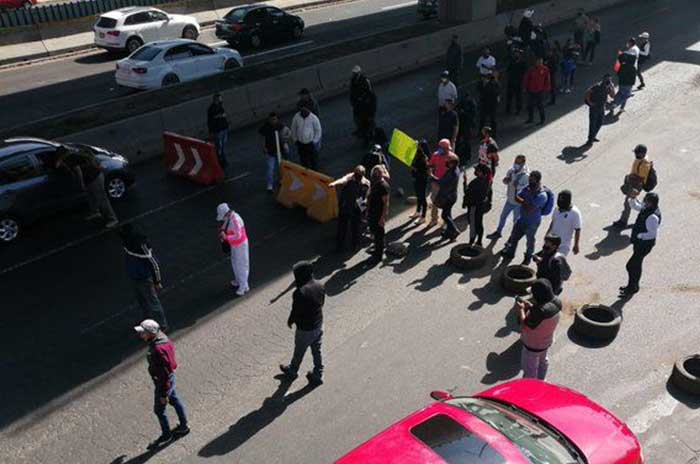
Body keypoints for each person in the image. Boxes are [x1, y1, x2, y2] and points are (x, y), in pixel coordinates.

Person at [135, 319, 189, 450]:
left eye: (143, 333)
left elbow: (163, 374)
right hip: (170, 377)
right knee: (175, 400)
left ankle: (166, 435)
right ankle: (183, 426)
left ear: (151, 333)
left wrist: (163, 394)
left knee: (159, 410)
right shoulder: (163, 338)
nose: (141, 335)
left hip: (163, 382)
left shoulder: (157, 349)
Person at [280, 260, 326, 385]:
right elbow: (322, 303)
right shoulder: (320, 285)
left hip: (305, 329)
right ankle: (318, 373)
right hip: (318, 324)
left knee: (299, 350)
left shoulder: (300, 292)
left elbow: (296, 311)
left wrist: (291, 320)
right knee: (317, 349)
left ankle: (293, 370)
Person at [55, 146, 119, 228]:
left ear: (62, 155)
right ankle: (95, 212)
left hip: (94, 178)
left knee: (102, 199)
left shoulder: (70, 158)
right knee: (91, 196)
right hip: (92, 177)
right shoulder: (74, 153)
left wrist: (81, 184)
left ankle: (113, 219)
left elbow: (78, 171)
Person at [120, 224, 168, 331]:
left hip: (145, 278)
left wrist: (157, 281)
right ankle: (148, 323)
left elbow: (153, 264)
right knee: (143, 302)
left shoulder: (140, 246)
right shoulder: (129, 244)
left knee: (153, 303)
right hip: (135, 277)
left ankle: (162, 325)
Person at [500, 170, 548, 265]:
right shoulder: (528, 188)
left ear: (538, 181)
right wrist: (522, 200)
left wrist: (523, 202)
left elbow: (530, 209)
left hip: (532, 222)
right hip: (522, 219)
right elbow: (516, 198)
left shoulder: (542, 195)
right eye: (530, 179)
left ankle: (527, 258)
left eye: (532, 180)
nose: (530, 181)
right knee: (514, 237)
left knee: (529, 242)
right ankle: (510, 253)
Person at [516, 279, 561, 380]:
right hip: (546, 342)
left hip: (533, 345)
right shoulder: (557, 302)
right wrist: (531, 306)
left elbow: (524, 324)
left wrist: (521, 310)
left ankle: (530, 387)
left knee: (530, 368)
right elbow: (543, 314)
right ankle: (541, 380)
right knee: (543, 361)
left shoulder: (538, 312)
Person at [620, 192, 660, 296]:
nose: (644, 202)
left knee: (631, 265)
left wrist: (639, 236)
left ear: (650, 203)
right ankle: (632, 286)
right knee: (636, 265)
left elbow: (652, 234)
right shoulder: (647, 208)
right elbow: (635, 206)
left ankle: (632, 287)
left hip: (644, 245)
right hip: (639, 244)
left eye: (646, 200)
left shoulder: (652, 217)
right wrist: (633, 198)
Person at [488, 154, 529, 240]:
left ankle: (513, 236)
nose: (516, 163)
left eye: (518, 162)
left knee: (516, 221)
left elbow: (526, 189)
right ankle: (498, 232)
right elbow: (506, 181)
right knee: (503, 216)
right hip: (509, 199)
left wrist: (517, 186)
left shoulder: (525, 176)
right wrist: (505, 180)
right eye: (515, 161)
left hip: (518, 203)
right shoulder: (511, 170)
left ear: (523, 163)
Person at [330, 166, 370, 252]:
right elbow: (343, 180)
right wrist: (334, 183)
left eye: (359, 175)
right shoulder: (350, 177)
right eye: (356, 174)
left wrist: (364, 209)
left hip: (357, 208)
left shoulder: (366, 183)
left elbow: (366, 196)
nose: (356, 176)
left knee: (355, 227)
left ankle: (354, 244)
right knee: (342, 226)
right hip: (346, 206)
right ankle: (339, 245)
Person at [614, 144, 653, 228]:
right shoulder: (639, 159)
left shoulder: (644, 164)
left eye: (637, 153)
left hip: (636, 186)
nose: (635, 154)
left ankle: (623, 221)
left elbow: (641, 179)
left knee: (628, 203)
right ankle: (646, 212)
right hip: (633, 183)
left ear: (642, 154)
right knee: (632, 201)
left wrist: (631, 178)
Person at [217, 203, 250, 296]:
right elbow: (224, 225)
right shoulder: (230, 217)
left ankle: (244, 287)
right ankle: (239, 281)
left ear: (225, 213)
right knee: (235, 262)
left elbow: (238, 235)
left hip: (240, 245)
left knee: (241, 265)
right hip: (235, 245)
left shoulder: (235, 219)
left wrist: (226, 237)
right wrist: (222, 231)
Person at [259, 112, 291, 192]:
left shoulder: (280, 125)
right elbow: (262, 138)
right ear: (269, 120)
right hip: (271, 152)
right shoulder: (265, 128)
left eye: (275, 119)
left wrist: (285, 142)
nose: (274, 121)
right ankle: (270, 185)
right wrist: (263, 147)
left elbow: (288, 132)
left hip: (280, 150)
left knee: (281, 167)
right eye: (272, 119)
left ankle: (281, 180)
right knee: (270, 168)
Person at [545, 190, 582, 256]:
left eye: (562, 200)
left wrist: (576, 245)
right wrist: (547, 234)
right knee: (546, 261)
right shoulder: (556, 209)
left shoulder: (575, 213)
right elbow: (553, 222)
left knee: (557, 262)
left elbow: (578, 229)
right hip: (551, 242)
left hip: (564, 245)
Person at [434, 153, 461, 241]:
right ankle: (448, 233)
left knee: (444, 215)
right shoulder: (456, 169)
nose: (446, 162)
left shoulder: (451, 173)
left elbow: (441, 182)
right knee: (448, 214)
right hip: (452, 195)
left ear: (452, 163)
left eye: (448, 161)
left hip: (448, 197)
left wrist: (431, 175)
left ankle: (454, 230)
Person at [464, 164, 492, 246]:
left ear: (483, 173)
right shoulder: (487, 181)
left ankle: (471, 241)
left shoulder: (476, 183)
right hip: (481, 206)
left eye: (478, 171)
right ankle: (479, 240)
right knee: (479, 223)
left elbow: (467, 192)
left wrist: (465, 183)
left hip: (474, 206)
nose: (475, 172)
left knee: (473, 224)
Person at [427, 139, 453, 227]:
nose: (446, 150)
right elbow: (430, 166)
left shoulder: (451, 157)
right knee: (434, 200)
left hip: (447, 183)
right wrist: (431, 174)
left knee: (446, 203)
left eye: (447, 148)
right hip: (436, 182)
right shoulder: (435, 155)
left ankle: (446, 221)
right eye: (444, 148)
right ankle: (434, 219)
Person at [584, 74, 615, 145]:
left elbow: (612, 96)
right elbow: (588, 93)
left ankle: (593, 136)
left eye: (609, 80)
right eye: (607, 79)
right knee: (593, 124)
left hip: (602, 107)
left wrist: (612, 87)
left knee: (600, 122)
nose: (608, 81)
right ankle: (590, 140)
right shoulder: (597, 86)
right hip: (594, 108)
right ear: (603, 79)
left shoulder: (608, 88)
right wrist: (590, 102)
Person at [367, 165, 390, 262]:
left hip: (379, 214)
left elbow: (386, 203)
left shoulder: (383, 186)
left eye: (376, 173)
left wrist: (382, 218)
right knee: (376, 234)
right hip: (373, 212)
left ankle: (378, 256)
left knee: (379, 235)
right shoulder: (375, 183)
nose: (374, 175)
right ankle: (377, 249)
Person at [290, 105, 322, 170]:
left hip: (310, 144)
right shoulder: (296, 117)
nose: (303, 112)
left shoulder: (314, 118)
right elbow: (293, 128)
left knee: (313, 161)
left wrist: (314, 141)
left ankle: (315, 173)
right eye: (301, 110)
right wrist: (295, 140)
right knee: (303, 161)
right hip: (300, 144)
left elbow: (318, 131)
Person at [523, 57, 551, 125]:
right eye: (538, 61)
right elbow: (527, 79)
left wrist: (546, 89)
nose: (539, 63)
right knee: (530, 105)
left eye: (540, 62)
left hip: (540, 90)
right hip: (531, 90)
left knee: (540, 105)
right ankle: (530, 118)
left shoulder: (545, 69)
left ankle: (542, 119)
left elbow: (547, 80)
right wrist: (525, 87)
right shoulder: (531, 69)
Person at [207, 93, 230, 169]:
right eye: (220, 98)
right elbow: (211, 120)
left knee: (223, 146)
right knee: (219, 147)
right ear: (216, 100)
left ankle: (223, 160)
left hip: (223, 129)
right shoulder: (212, 109)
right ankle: (221, 162)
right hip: (218, 130)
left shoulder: (220, 106)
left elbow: (223, 115)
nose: (221, 100)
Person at [410, 141, 430, 223]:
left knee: (422, 197)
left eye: (418, 146)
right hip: (416, 179)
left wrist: (415, 169)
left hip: (421, 180)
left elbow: (424, 172)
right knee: (418, 196)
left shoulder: (424, 158)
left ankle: (423, 216)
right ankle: (418, 212)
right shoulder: (417, 155)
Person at [456, 91, 477, 164]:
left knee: (465, 141)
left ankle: (465, 156)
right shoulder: (470, 103)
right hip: (465, 125)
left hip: (465, 125)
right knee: (465, 141)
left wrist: (463, 112)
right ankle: (465, 156)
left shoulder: (469, 103)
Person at [350, 66, 372, 135]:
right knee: (356, 117)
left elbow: (369, 91)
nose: (354, 74)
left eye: (356, 73)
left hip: (363, 102)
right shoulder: (353, 81)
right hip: (356, 102)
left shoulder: (365, 80)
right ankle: (360, 129)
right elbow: (351, 91)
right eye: (354, 73)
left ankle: (368, 130)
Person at [505, 50, 527, 115]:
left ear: (520, 55)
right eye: (515, 54)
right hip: (511, 80)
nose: (516, 55)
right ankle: (508, 109)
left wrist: (522, 80)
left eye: (517, 54)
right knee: (509, 96)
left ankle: (518, 109)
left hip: (518, 81)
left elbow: (524, 72)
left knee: (518, 96)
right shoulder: (512, 61)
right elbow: (508, 69)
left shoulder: (522, 62)